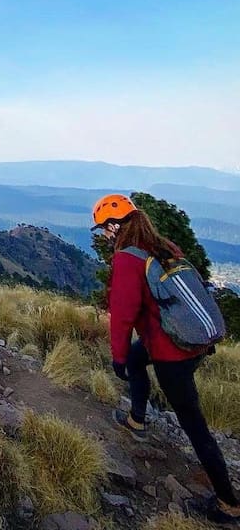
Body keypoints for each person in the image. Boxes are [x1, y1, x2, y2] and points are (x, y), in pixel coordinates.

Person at [92, 193, 240, 523]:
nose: (103, 235)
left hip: (171, 351)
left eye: (104, 228)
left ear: (115, 227)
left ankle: (229, 503)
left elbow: (122, 314)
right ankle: (137, 419)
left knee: (194, 425)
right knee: (136, 358)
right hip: (192, 343)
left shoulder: (128, 259)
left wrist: (115, 356)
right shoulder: (164, 246)